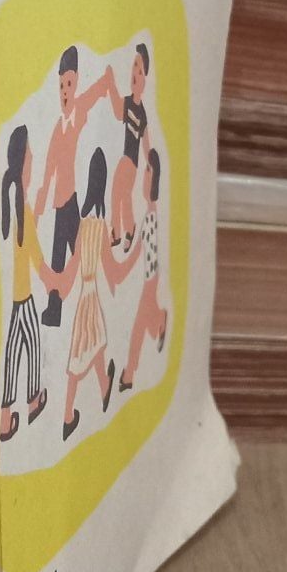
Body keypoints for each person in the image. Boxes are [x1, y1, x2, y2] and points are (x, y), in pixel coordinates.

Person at [59, 148, 140, 441]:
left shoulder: (82, 227)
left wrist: (57, 282)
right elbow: (114, 273)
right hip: (90, 297)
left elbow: (71, 268)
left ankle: (104, 387)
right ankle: (68, 415)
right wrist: (135, 254)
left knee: (94, 345)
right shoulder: (99, 227)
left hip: (85, 294)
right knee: (82, 352)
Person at [35, 45, 115, 327]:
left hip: (71, 201)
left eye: (69, 84)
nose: (65, 92)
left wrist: (105, 83)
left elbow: (90, 97)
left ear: (77, 81)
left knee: (79, 255)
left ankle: (87, 303)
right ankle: (56, 309)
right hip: (60, 203)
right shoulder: (57, 130)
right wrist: (39, 208)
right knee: (63, 257)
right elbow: (48, 172)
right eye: (61, 86)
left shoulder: (78, 112)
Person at [0, 123, 49, 441]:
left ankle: (6, 418)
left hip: (12, 297)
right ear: (23, 162)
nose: (33, 159)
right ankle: (32, 401)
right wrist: (59, 280)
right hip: (23, 296)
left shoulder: (10, 205)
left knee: (13, 352)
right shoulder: (23, 211)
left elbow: (21, 246)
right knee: (32, 344)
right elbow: (39, 262)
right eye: (30, 155)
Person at [120, 146, 170, 394]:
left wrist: (122, 268)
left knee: (139, 328)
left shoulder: (151, 216)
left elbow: (140, 249)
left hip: (150, 281)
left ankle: (129, 374)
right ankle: (159, 319)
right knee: (144, 324)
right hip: (151, 279)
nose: (143, 178)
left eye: (147, 173)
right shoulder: (150, 214)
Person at [108, 42, 151, 248]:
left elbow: (146, 141)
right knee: (122, 195)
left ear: (145, 81)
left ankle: (121, 231)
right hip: (127, 159)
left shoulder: (140, 112)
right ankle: (124, 230)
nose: (135, 73)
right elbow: (118, 111)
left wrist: (150, 164)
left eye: (140, 71)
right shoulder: (128, 103)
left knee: (119, 193)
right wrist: (111, 85)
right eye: (134, 66)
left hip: (130, 162)